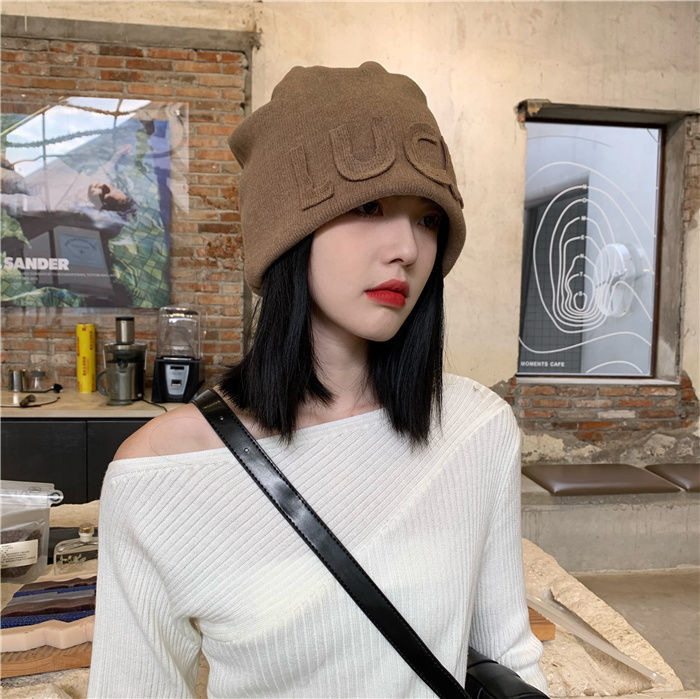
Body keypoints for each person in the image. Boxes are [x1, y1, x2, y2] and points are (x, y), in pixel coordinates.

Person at [87, 62, 548, 697]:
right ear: (286, 233)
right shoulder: (158, 473)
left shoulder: (476, 429)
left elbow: (507, 658)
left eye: (428, 218)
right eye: (368, 205)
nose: (407, 248)